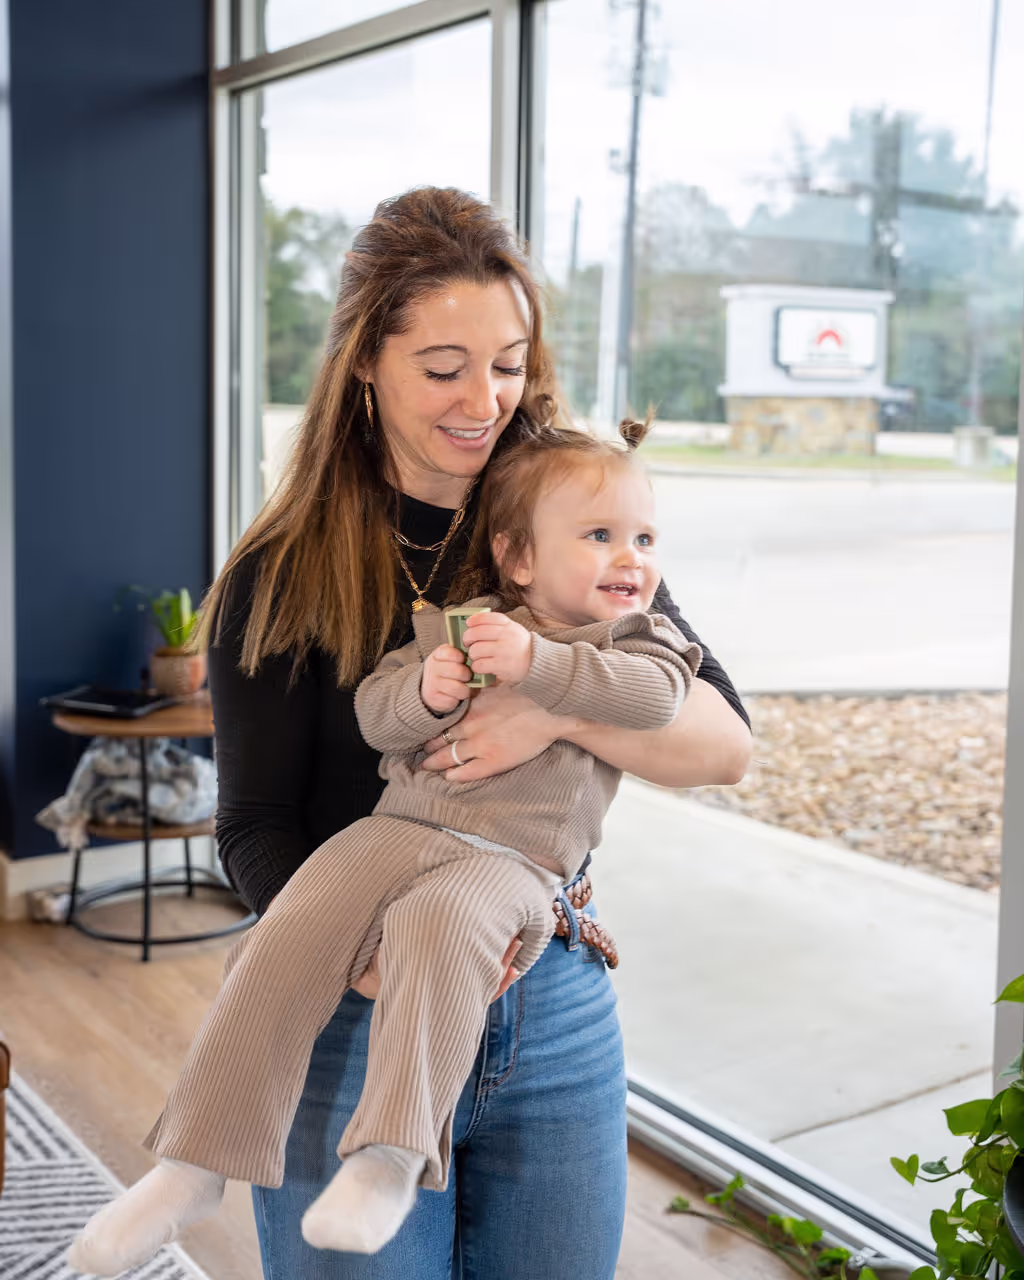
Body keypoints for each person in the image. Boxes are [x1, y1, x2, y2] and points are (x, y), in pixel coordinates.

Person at [81, 187, 752, 1280]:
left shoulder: (568, 525)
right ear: (365, 363)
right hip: (354, 1011)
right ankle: (195, 1152)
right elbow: (252, 827)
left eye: (507, 362)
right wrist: (378, 965)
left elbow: (722, 744)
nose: (483, 399)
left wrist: (547, 700)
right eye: (442, 366)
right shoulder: (280, 572)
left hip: (553, 1000)